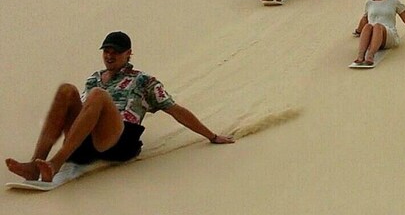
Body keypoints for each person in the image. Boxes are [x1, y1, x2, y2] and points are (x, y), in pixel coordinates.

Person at [5, 31, 234, 183]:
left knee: (98, 95)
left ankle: (55, 164)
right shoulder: (94, 78)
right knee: (67, 90)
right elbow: (84, 111)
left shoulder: (144, 80)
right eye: (107, 51)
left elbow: (175, 109)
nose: (110, 55)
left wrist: (211, 136)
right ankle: (36, 164)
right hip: (85, 141)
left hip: (119, 140)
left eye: (116, 51)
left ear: (128, 53)